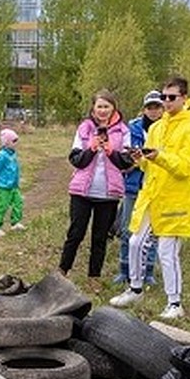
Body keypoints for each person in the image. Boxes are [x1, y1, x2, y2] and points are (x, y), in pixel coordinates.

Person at [111, 77, 190, 320]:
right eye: (164, 97)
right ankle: (135, 288)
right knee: (135, 242)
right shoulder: (156, 128)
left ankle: (175, 303)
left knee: (167, 251)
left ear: (184, 98)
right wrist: (139, 158)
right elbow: (148, 165)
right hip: (152, 197)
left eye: (171, 97)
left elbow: (187, 167)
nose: (166, 102)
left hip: (176, 201)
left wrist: (159, 157)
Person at [59, 89, 132, 283]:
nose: (102, 110)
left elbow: (125, 162)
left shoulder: (123, 131)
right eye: (99, 106)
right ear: (93, 108)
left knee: (100, 238)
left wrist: (110, 152)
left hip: (109, 193)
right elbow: (76, 160)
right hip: (82, 191)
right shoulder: (84, 128)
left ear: (113, 108)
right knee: (75, 233)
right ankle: (62, 271)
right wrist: (91, 148)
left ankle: (94, 277)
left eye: (106, 106)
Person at [113, 90, 162, 286]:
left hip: (156, 186)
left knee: (153, 231)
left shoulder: (166, 130)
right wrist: (132, 161)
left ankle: (148, 271)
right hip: (133, 186)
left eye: (157, 107)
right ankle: (124, 270)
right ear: (144, 109)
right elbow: (122, 156)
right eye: (150, 107)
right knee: (127, 229)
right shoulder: (131, 128)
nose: (153, 111)